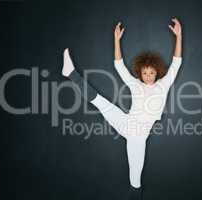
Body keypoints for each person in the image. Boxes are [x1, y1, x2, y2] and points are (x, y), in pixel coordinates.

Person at [61, 18, 183, 200]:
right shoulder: (135, 85)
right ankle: (71, 73)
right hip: (126, 122)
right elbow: (119, 66)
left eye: (151, 73)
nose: (148, 76)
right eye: (145, 73)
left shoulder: (163, 85)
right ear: (140, 74)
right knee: (101, 102)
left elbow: (176, 63)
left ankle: (135, 195)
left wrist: (179, 36)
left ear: (157, 72)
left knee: (135, 176)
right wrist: (116, 40)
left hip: (139, 135)